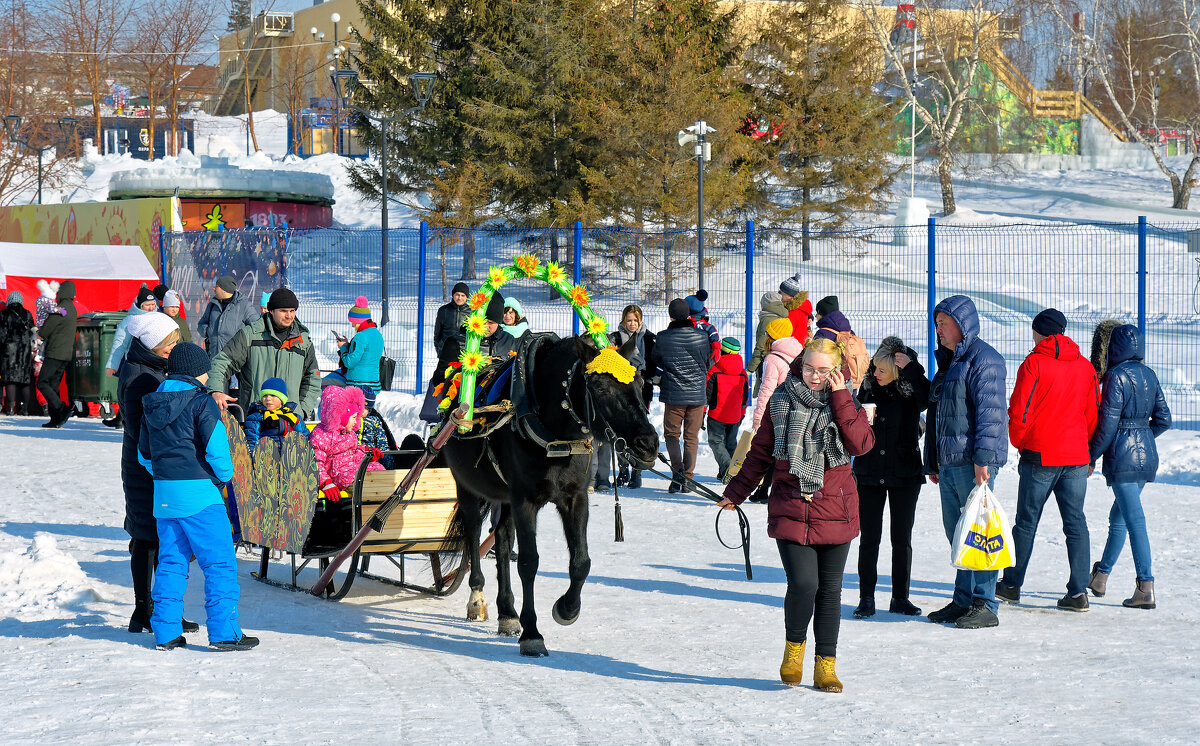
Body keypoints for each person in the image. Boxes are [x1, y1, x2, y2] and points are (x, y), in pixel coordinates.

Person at [719, 338, 875, 691]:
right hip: (791, 504)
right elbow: (759, 454)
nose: (814, 376)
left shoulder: (847, 403)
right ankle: (794, 650)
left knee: (830, 591)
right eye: (809, 368)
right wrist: (736, 492)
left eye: (823, 370)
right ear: (800, 365)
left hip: (835, 507)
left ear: (836, 371)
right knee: (804, 584)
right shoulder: (781, 401)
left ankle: (826, 665)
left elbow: (860, 445)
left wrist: (839, 399)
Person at [137, 342, 259, 651]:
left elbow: (144, 455)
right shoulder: (202, 403)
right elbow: (219, 455)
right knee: (219, 564)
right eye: (205, 371)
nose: (207, 378)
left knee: (171, 564)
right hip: (202, 497)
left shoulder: (151, 403)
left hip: (164, 497)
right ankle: (225, 632)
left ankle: (165, 632)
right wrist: (219, 479)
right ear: (195, 372)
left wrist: (167, 478)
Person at [996, 309, 1099, 612]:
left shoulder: (1033, 363)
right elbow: (1093, 413)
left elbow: (1020, 408)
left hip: (1040, 454)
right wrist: (1087, 449)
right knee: (1076, 523)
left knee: (1026, 522)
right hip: (1076, 456)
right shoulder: (1085, 367)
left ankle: (1012, 585)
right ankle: (1078, 593)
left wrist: (1018, 441)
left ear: (1039, 331)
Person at [924, 295, 1008, 630]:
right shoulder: (950, 362)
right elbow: (939, 416)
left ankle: (985, 603)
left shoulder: (985, 360)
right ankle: (962, 600)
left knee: (980, 532)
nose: (939, 330)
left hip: (973, 463)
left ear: (963, 324)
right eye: (938, 323)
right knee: (958, 534)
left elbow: (991, 415)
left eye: (945, 323)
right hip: (949, 462)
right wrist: (933, 461)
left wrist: (983, 460)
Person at [117, 312, 194, 636]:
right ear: (153, 343)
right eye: (170, 343)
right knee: (148, 538)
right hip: (145, 467)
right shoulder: (141, 377)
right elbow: (139, 429)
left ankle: (158, 610)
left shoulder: (147, 368)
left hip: (148, 463)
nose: (174, 348)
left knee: (155, 537)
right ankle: (145, 610)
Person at [1086, 323, 1171, 610]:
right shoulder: (1150, 374)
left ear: (1114, 348)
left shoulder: (1115, 376)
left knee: (1135, 521)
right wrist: (1143, 436)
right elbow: (1164, 419)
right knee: (1119, 518)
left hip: (1123, 459)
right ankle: (1101, 576)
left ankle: (1145, 587)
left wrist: (1091, 456)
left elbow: (1107, 425)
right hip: (1146, 458)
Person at [852, 336, 930, 618]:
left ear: (896, 372)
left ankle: (900, 597)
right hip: (870, 471)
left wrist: (911, 367)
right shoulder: (868, 390)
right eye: (874, 369)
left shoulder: (910, 392)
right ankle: (866, 598)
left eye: (881, 371)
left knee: (902, 538)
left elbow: (927, 397)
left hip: (904, 472)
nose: (875, 375)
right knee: (869, 539)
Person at [208, 287, 322, 420]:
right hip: (255, 421)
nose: (289, 316)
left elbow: (313, 378)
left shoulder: (303, 341)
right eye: (283, 311)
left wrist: (302, 410)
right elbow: (221, 363)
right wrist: (215, 390)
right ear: (271, 310)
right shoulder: (250, 335)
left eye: (292, 311)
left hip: (290, 423)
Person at [652, 298, 712, 493]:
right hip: (696, 395)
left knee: (671, 435)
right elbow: (707, 360)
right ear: (689, 315)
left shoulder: (663, 337)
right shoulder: (701, 336)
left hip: (673, 395)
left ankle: (677, 474)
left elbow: (656, 360)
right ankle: (688, 477)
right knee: (691, 437)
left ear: (670, 315)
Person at [597, 304, 655, 490]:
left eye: (635, 320)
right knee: (621, 430)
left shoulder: (649, 338)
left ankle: (636, 471)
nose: (632, 324)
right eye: (629, 320)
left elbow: (654, 362)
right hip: (621, 392)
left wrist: (646, 377)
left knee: (640, 429)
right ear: (623, 320)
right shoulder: (614, 338)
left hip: (641, 388)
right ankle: (623, 469)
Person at [311, 385, 385, 503]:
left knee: (380, 471)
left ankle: (386, 500)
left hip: (353, 468)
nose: (356, 421)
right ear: (341, 415)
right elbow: (315, 461)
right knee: (369, 487)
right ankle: (373, 506)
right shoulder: (322, 434)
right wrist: (325, 482)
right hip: (341, 475)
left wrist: (367, 453)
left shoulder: (349, 433)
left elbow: (354, 452)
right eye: (354, 417)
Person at [36, 279, 78, 428]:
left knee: (42, 382)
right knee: (53, 385)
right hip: (66, 354)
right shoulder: (72, 308)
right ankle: (56, 419)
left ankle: (62, 409)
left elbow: (45, 330)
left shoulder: (61, 309)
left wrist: (39, 333)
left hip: (55, 352)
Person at [706, 337, 749, 482]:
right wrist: (742, 413)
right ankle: (731, 472)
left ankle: (726, 469)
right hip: (735, 415)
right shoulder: (742, 372)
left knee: (716, 442)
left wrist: (704, 410)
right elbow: (745, 396)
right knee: (730, 443)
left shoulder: (714, 369)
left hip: (717, 414)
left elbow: (708, 393)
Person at [337, 296, 384, 405]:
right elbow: (366, 355)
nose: (352, 325)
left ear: (357, 320)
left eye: (353, 321)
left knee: (356, 417)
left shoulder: (361, 336)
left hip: (359, 384)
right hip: (372, 383)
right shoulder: (377, 334)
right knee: (366, 414)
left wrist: (343, 347)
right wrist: (349, 344)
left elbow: (350, 362)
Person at [196, 275, 258, 359]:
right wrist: (207, 331)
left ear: (225, 289)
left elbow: (257, 328)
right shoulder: (212, 305)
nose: (213, 289)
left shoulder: (244, 306)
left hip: (235, 362)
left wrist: (243, 341)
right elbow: (201, 324)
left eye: (217, 286)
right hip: (214, 359)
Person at [105, 286, 158, 377]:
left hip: (155, 365)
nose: (151, 308)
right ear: (140, 306)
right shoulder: (130, 320)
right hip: (135, 365)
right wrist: (112, 365)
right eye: (147, 305)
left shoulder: (159, 318)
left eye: (153, 304)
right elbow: (120, 343)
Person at [243, 377, 306, 454]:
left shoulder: (293, 417)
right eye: (265, 395)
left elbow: (303, 437)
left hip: (289, 458)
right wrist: (253, 456)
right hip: (266, 458)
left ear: (282, 399)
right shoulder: (256, 417)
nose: (268, 399)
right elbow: (251, 439)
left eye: (273, 395)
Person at [813, 309, 869, 393]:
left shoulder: (823, 333)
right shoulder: (849, 332)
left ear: (823, 314)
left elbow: (814, 356)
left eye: (817, 312)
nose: (815, 316)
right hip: (852, 379)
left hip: (832, 383)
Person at [0, 291, 36, 415]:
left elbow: (2, 334)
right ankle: (24, 409)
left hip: (9, 352)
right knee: (24, 380)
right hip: (24, 351)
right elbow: (32, 331)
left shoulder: (4, 313)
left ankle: (10, 408)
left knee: (11, 380)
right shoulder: (27, 313)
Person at [747, 289, 789, 383]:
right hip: (781, 362)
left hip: (767, 363)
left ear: (767, 304)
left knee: (766, 392)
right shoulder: (783, 317)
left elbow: (761, 347)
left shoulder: (767, 320)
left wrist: (749, 370)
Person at [433, 282, 471, 357]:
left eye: (463, 295)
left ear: (466, 297)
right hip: (446, 352)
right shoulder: (443, 310)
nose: (459, 298)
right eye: (457, 295)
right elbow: (437, 333)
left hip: (465, 354)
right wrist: (439, 350)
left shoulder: (471, 312)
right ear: (453, 295)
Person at [685, 290, 720, 364]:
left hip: (701, 357)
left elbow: (713, 333)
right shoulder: (686, 321)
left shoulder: (702, 325)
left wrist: (716, 347)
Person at [777, 272, 813, 346]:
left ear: (789, 295)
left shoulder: (791, 312)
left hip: (790, 348)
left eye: (781, 292)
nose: (779, 293)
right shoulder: (802, 307)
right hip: (801, 347)